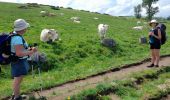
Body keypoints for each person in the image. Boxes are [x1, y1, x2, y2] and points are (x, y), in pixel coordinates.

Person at [11, 19, 37, 100]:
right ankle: (17, 97)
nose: (26, 29)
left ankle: (15, 94)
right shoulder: (17, 38)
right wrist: (32, 51)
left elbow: (21, 50)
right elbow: (19, 53)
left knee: (18, 79)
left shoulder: (16, 35)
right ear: (22, 28)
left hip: (18, 61)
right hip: (19, 61)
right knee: (18, 80)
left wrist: (28, 49)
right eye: (26, 27)